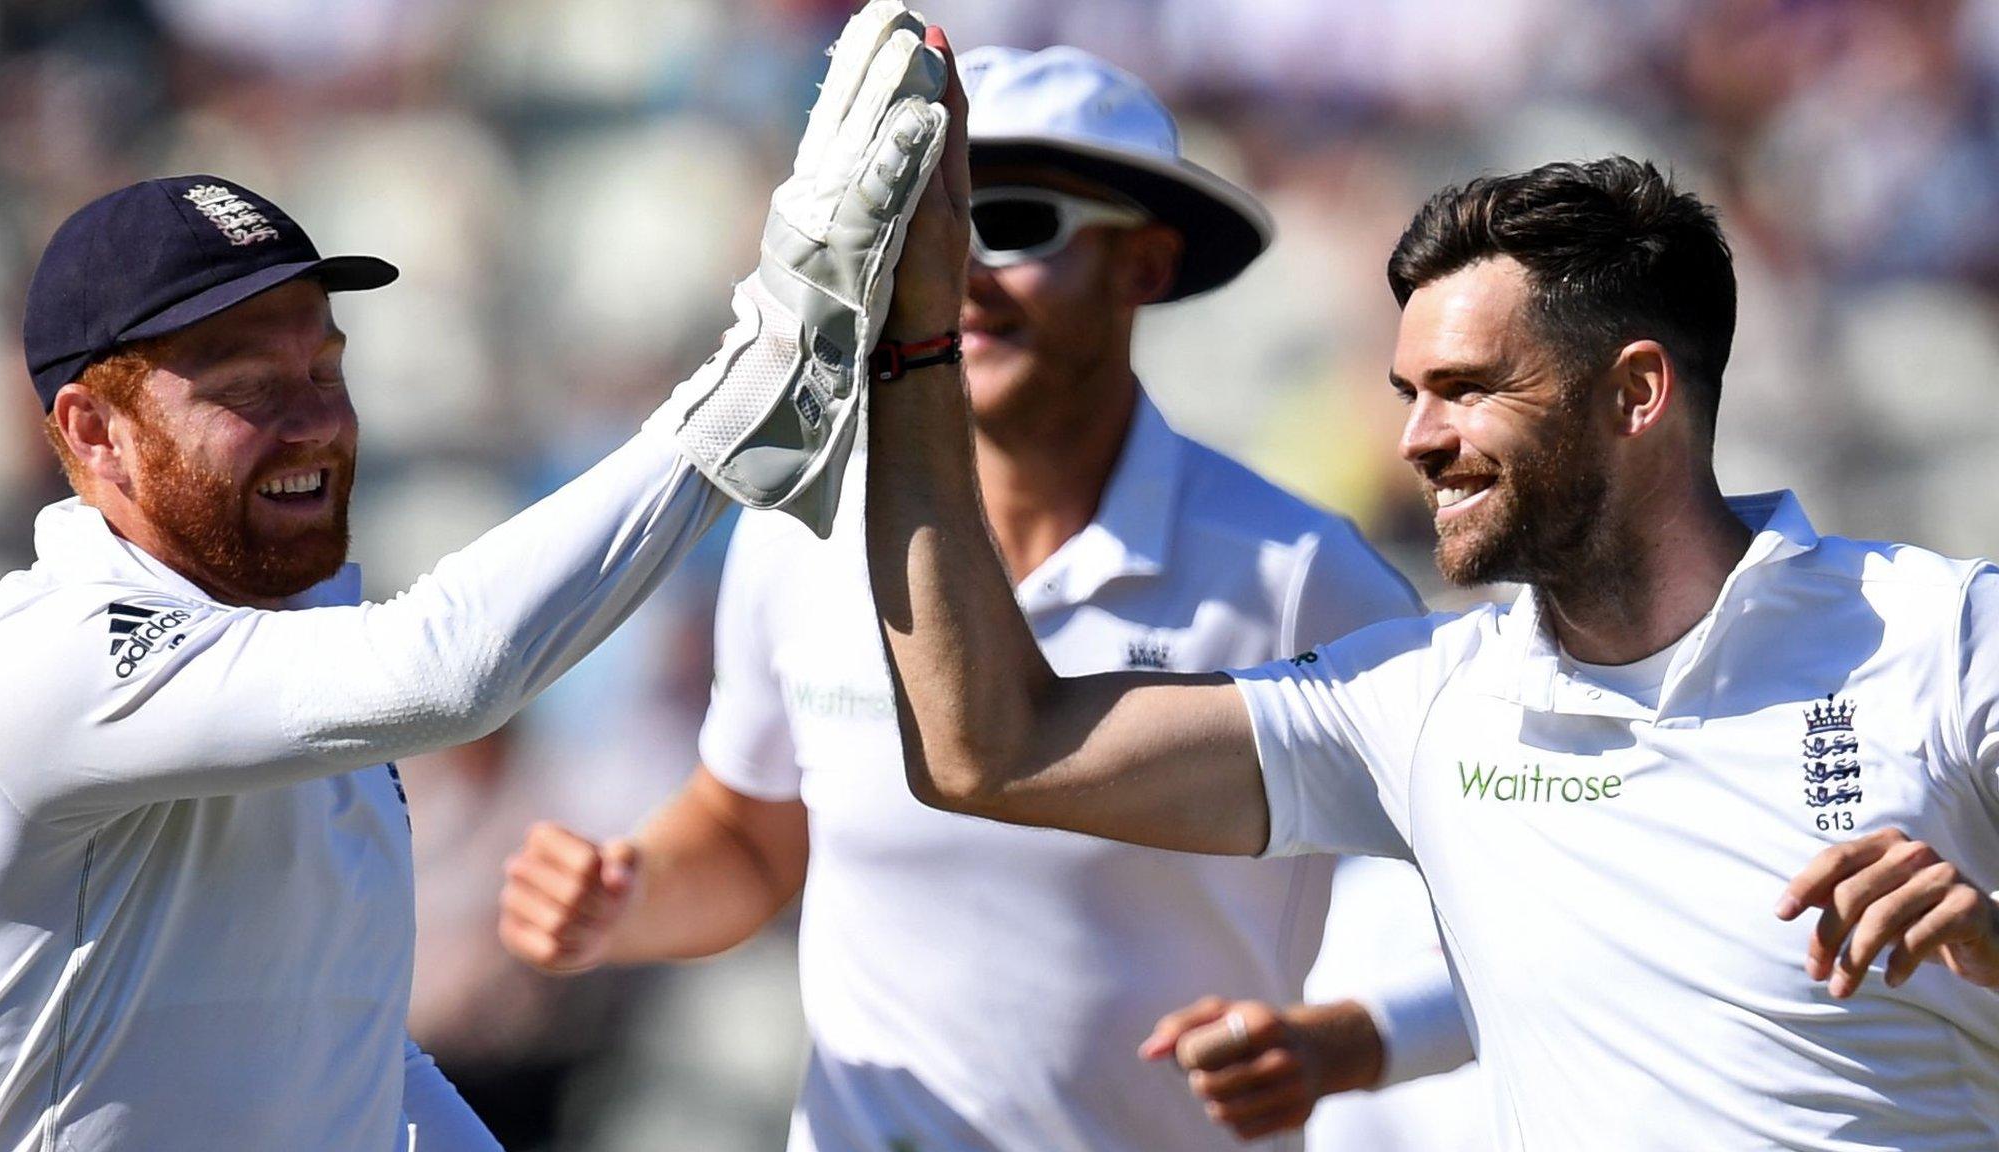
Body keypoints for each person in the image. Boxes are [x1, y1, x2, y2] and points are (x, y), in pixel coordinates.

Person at [863, 68, 1999, 1151]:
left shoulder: (1941, 635)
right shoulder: (1416, 706)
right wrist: (912, 350)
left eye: (1467, 389)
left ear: (1635, 393)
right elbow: (989, 752)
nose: (1414, 441)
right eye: (1409, 394)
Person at [0, 6, 949, 1148]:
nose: (313, 425)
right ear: (91, 432)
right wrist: (765, 367)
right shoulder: (54, 657)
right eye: (243, 385)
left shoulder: (294, 655)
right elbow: (446, 672)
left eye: (323, 368)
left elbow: (347, 1050)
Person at [496, 45, 1474, 1152]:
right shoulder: (794, 536)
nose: (948, 271)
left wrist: (1343, 1039)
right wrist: (624, 899)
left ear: (1143, 266)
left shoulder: (1300, 578)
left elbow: (1501, 898)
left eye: (1005, 220)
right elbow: (754, 840)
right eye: (917, 225)